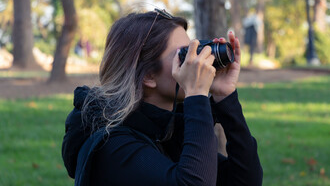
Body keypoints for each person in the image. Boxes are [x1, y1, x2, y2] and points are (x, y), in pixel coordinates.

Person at [62, 9, 263, 186]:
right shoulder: (112, 147)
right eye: (184, 55)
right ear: (148, 76)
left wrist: (224, 97)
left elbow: (246, 180)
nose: (195, 62)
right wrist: (196, 94)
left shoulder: (167, 131)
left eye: (193, 49)